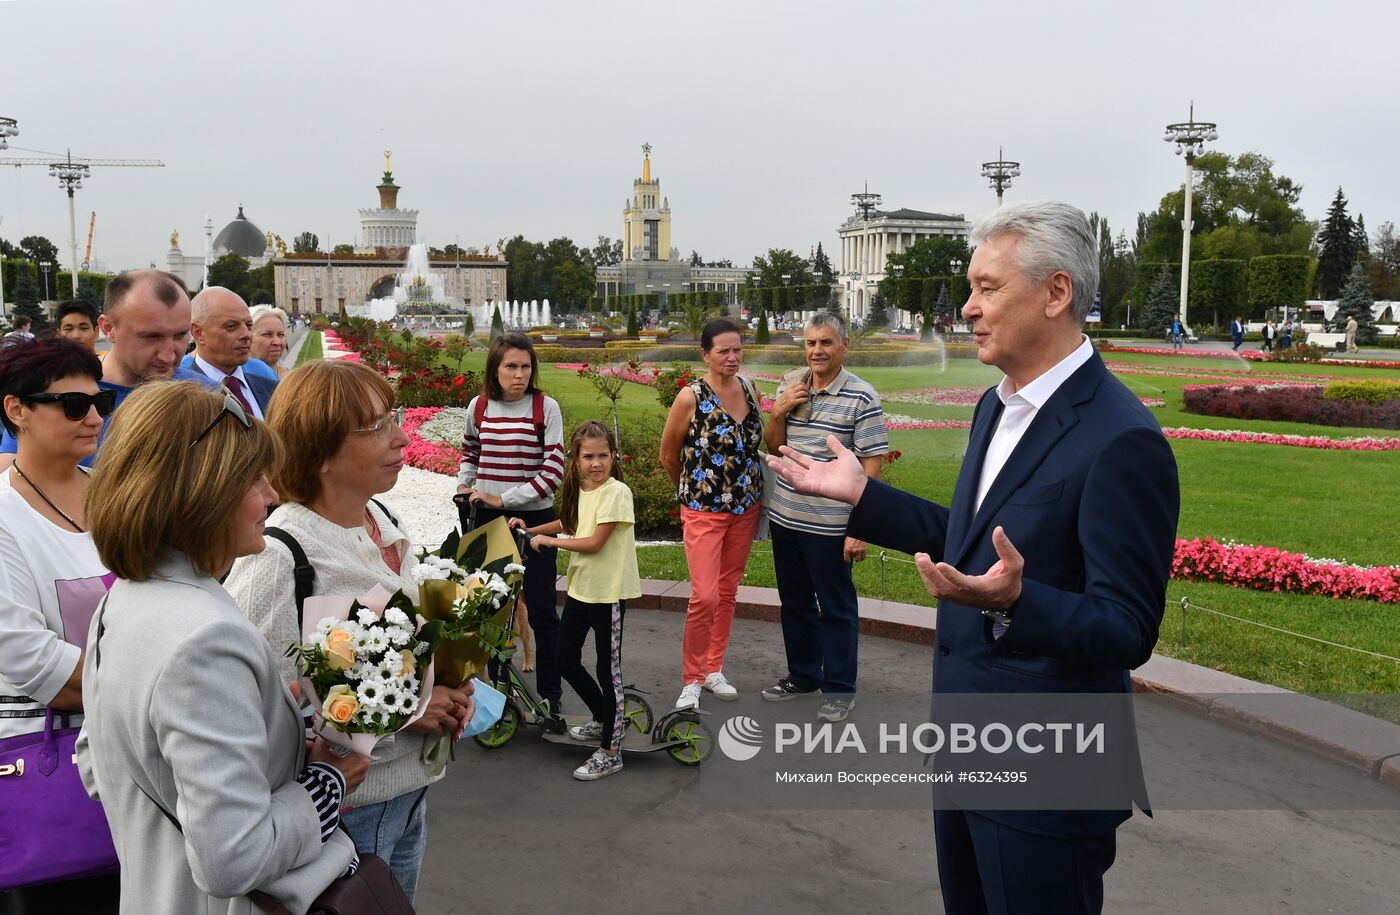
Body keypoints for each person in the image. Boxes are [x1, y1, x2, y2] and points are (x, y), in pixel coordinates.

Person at [768, 201, 1179, 914]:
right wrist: (863, 494)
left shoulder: (1122, 439)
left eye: (988, 288)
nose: (967, 307)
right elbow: (969, 536)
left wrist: (1018, 602)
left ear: (1056, 293)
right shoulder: (997, 406)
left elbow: (1127, 627)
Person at [77, 381, 369, 914]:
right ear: (201, 493)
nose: (272, 495)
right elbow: (233, 859)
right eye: (253, 481)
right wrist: (328, 781)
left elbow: (98, 766)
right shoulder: (204, 636)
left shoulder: (123, 598)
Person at [225, 359, 473, 900]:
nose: (403, 437)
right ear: (321, 451)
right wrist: (407, 712)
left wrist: (451, 683)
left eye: (395, 418)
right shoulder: (280, 555)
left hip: (408, 796)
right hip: (345, 816)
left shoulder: (380, 516)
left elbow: (397, 647)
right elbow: (255, 706)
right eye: (377, 426)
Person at [0, 339, 118, 907]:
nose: (94, 417)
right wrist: (151, 692)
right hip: (61, 766)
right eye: (73, 405)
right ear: (16, 409)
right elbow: (28, 656)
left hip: (146, 759)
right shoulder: (4, 517)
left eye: (102, 401)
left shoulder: (119, 497)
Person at [761, 313, 887, 722]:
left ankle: (839, 688)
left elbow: (872, 464)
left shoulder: (862, 396)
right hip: (787, 517)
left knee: (835, 607)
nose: (817, 351)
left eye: (826, 343)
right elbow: (776, 447)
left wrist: (862, 527)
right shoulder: (790, 384)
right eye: (811, 343)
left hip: (831, 526)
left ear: (844, 346)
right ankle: (803, 676)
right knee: (794, 602)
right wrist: (778, 411)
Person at [511, 420, 640, 781]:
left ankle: (611, 751)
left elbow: (594, 542)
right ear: (575, 460)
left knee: (607, 671)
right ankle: (604, 718)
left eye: (603, 455)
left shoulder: (617, 493)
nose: (596, 463)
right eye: (588, 456)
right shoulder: (581, 489)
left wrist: (551, 544)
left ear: (614, 456)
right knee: (565, 660)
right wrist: (530, 530)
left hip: (608, 593)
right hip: (582, 590)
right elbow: (569, 522)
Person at [0, 269, 214, 470]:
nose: (169, 355)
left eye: (180, 335)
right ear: (108, 328)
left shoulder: (208, 396)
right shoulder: (51, 398)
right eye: (151, 337)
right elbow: (10, 471)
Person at [455, 332, 566, 713]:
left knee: (541, 610)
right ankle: (493, 696)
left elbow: (553, 471)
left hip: (534, 520)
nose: (519, 375)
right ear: (495, 369)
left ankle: (551, 694)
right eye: (510, 366)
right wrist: (464, 483)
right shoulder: (480, 406)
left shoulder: (544, 407)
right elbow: (471, 449)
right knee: (488, 611)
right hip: (485, 518)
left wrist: (503, 497)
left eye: (525, 366)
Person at [659, 317, 764, 711]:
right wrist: (691, 491)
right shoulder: (691, 396)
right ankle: (691, 678)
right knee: (703, 596)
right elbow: (668, 456)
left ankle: (713, 668)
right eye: (724, 351)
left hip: (745, 508)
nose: (733, 357)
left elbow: (756, 444)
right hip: (703, 510)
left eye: (738, 349)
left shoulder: (750, 390)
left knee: (726, 592)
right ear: (705, 354)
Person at [180, 286, 277, 417]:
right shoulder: (179, 399)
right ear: (198, 333)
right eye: (231, 326)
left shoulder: (272, 389)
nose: (246, 334)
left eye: (249, 325)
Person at [248, 304, 291, 379]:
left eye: (280, 334)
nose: (277, 342)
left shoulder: (293, 379)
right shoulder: (236, 383)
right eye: (267, 334)